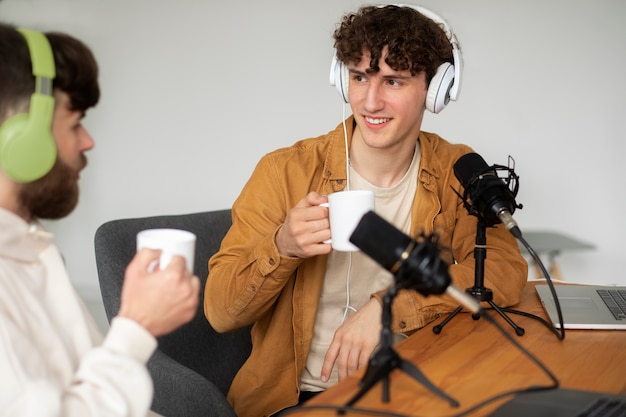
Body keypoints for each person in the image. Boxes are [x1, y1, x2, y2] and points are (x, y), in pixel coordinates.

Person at [204, 4, 528, 417]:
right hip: (306, 396)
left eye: (393, 81)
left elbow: (505, 268)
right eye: (359, 77)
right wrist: (283, 247)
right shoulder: (284, 171)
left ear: (435, 89)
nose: (371, 101)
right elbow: (220, 312)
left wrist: (389, 308)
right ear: (343, 81)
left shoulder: (455, 170)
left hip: (416, 386)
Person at [0, 24, 200, 416]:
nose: (88, 140)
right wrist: (136, 327)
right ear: (23, 142)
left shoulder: (28, 248)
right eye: (75, 123)